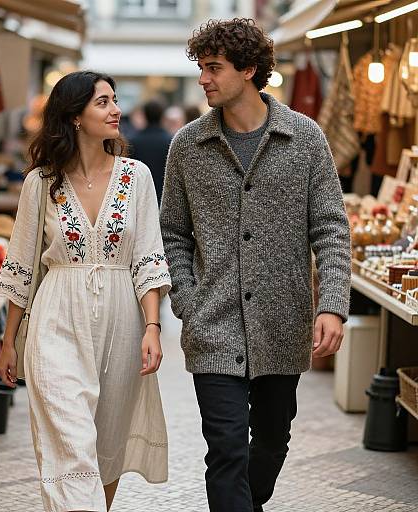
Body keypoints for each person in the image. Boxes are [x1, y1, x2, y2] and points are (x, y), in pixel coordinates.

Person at [160, 18, 351, 512]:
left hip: (282, 325)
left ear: (249, 70)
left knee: (269, 443)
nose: (203, 78)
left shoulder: (305, 138)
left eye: (214, 68)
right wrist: (188, 298)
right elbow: (173, 234)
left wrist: (331, 304)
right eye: (201, 67)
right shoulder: (187, 147)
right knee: (225, 450)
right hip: (213, 326)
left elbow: (330, 228)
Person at [0, 71, 171, 512]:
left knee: (105, 447)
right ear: (74, 117)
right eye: (103, 102)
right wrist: (7, 341)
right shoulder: (41, 182)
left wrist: (153, 327)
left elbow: (149, 257)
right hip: (56, 315)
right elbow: (22, 263)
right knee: (71, 443)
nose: (116, 110)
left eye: (114, 101)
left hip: (123, 323)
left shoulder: (138, 177)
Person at [130, 100, 172, 205]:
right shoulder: (170, 140)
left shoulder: (133, 141)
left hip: (140, 197)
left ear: (144, 115)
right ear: (163, 116)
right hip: (164, 197)